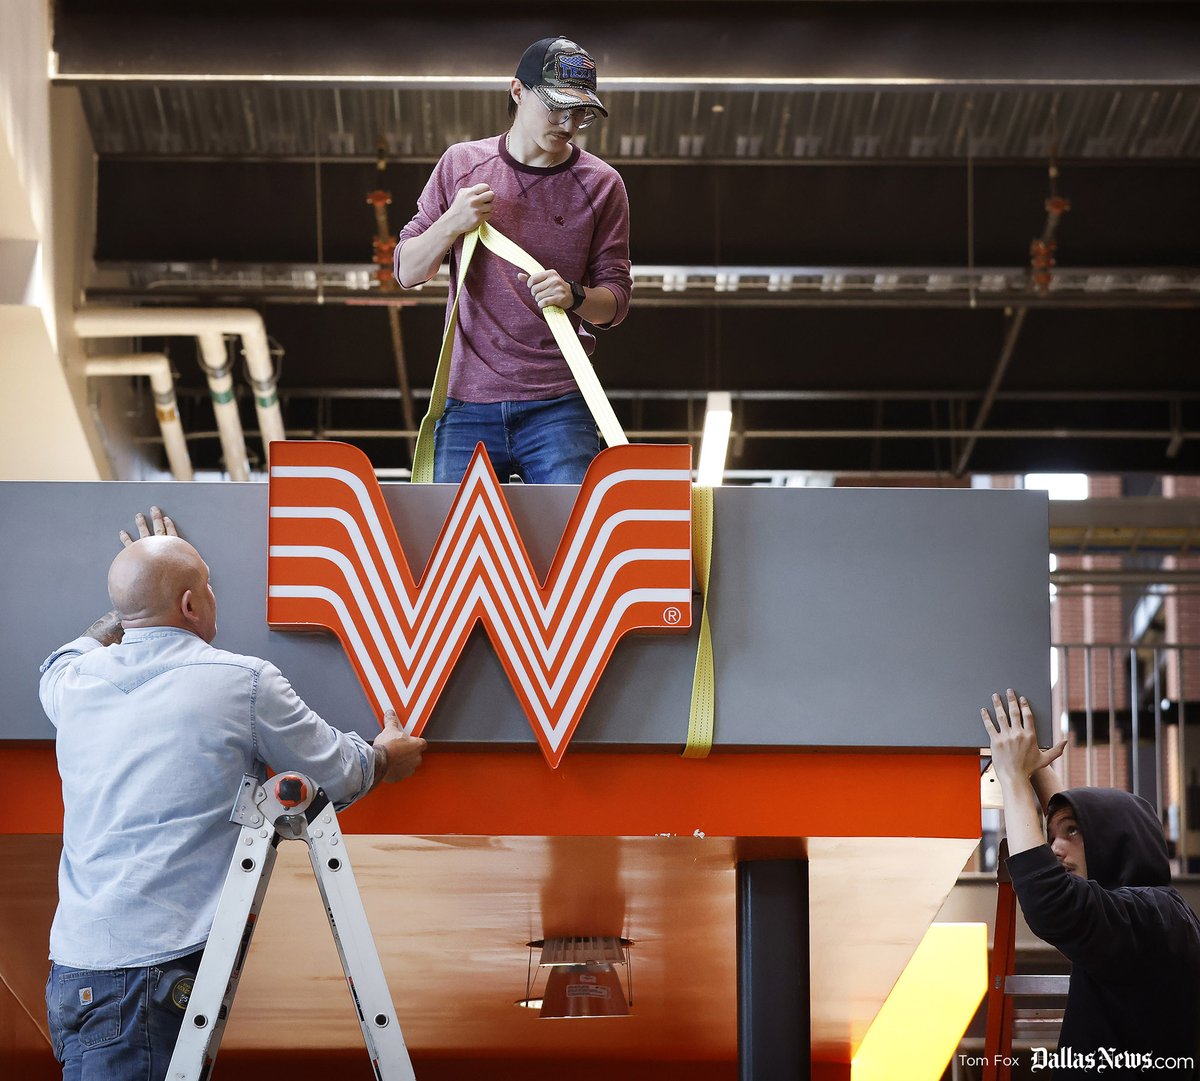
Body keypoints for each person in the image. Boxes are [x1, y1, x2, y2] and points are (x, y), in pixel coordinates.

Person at [39, 506, 427, 1081]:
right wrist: (386, 757)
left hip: (73, 977)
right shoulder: (242, 682)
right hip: (151, 972)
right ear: (193, 606)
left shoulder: (71, 686)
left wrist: (140, 596)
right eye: (209, 586)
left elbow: (67, 654)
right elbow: (340, 772)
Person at [394, 35, 631, 485]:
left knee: (577, 547)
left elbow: (616, 303)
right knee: (454, 550)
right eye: (556, 106)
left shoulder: (602, 184)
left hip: (560, 404)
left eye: (580, 112)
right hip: (466, 403)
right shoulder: (461, 165)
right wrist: (451, 223)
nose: (567, 122)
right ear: (517, 91)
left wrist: (575, 295)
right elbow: (407, 271)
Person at [982, 688, 1200, 1077]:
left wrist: (1014, 777)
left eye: (1074, 832)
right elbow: (1075, 879)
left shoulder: (1154, 915)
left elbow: (1054, 903)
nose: (1055, 849)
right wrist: (1035, 770)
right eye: (1051, 837)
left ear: (1117, 839)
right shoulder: (1150, 913)